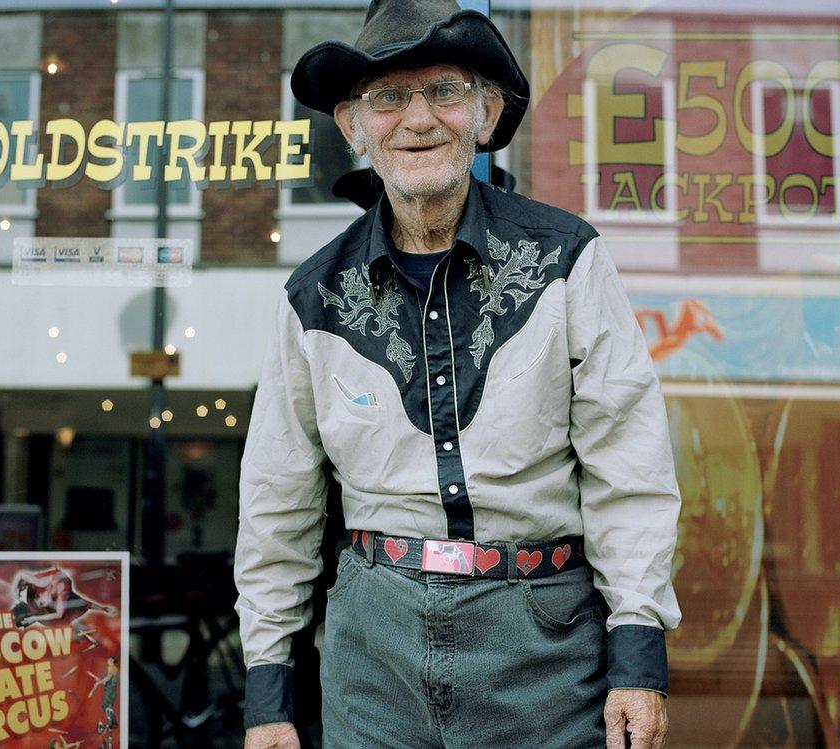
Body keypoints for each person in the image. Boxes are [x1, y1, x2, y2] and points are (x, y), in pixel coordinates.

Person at [234, 1, 681, 747]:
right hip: (371, 652)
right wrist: (268, 694)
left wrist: (637, 654)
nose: (417, 119)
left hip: (546, 645)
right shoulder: (311, 299)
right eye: (388, 97)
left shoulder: (567, 261)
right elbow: (277, 503)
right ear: (352, 126)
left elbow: (626, 462)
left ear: (486, 112)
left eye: (443, 89)